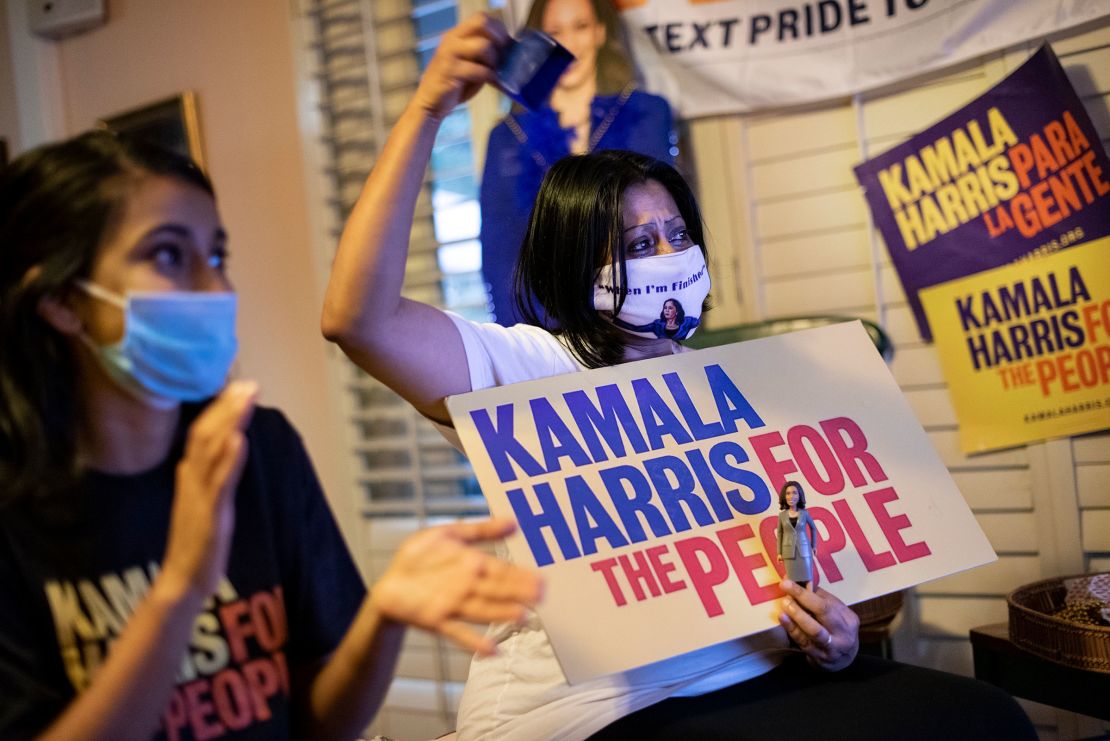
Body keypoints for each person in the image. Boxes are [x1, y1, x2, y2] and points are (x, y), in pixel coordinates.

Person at [322, 14, 1036, 740]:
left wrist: (836, 634)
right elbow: (359, 319)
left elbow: (798, 569)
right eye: (639, 242)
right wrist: (426, 111)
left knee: (985, 718)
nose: (670, 254)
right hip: (592, 710)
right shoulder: (529, 367)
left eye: (678, 234)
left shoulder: (733, 383)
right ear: (578, 266)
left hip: (759, 673)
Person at [0, 130, 541, 741]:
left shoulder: (259, 448)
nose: (217, 289)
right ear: (63, 300)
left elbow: (318, 724)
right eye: (169, 256)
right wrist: (180, 589)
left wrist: (383, 618)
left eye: (216, 256)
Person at [480, 0, 675, 326]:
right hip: (545, 333)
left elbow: (664, 226)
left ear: (600, 32)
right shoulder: (506, 137)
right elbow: (500, 253)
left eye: (581, 26)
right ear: (536, 42)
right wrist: (525, 341)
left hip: (636, 322)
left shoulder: (647, 114)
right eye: (555, 31)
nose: (569, 43)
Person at [776, 481, 818, 589]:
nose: (791, 496)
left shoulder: (804, 513)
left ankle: (810, 597)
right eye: (788, 493)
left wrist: (814, 546)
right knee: (792, 578)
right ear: (784, 496)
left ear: (799, 495)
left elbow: (813, 528)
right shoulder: (782, 515)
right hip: (788, 551)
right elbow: (780, 534)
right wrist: (779, 552)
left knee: (808, 577)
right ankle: (795, 597)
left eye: (794, 493)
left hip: (804, 549)